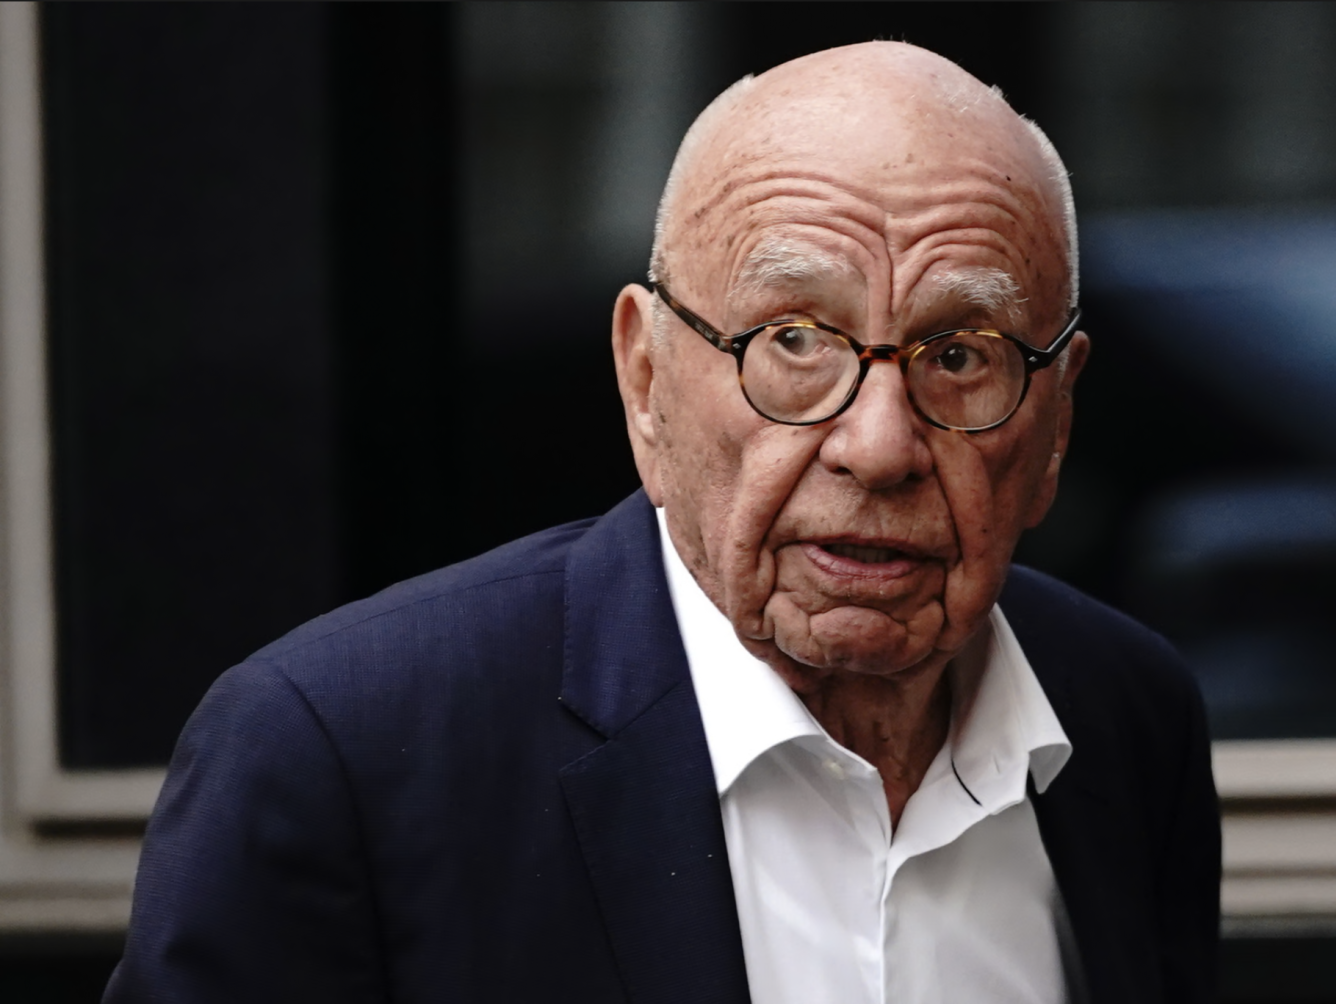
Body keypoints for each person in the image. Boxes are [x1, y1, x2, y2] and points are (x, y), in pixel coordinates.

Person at [106, 42, 1219, 1004]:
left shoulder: (1125, 717)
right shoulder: (336, 754)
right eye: (793, 339)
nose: (878, 443)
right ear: (645, 375)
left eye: (961, 355)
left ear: (1058, 416)